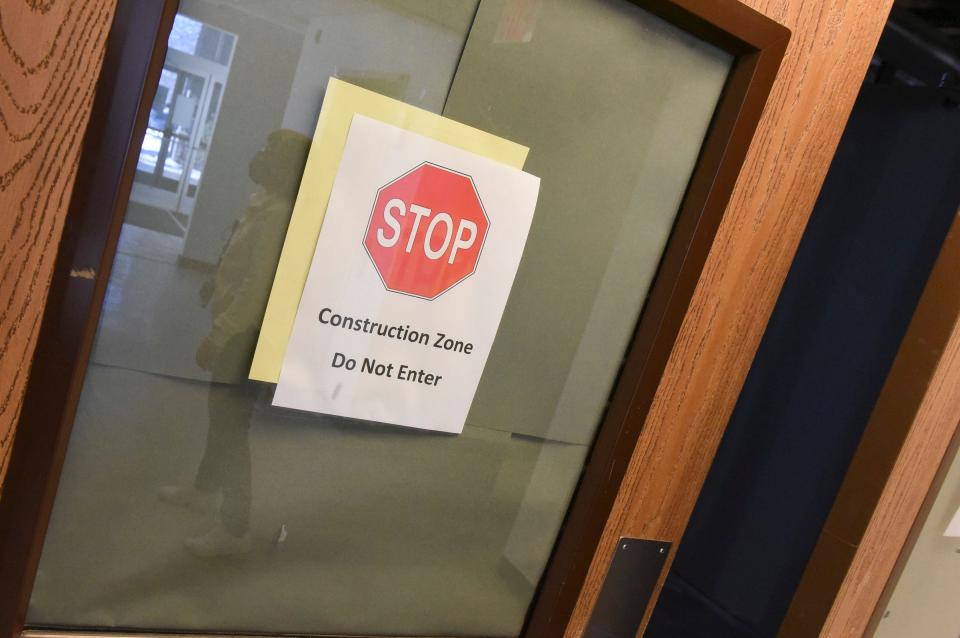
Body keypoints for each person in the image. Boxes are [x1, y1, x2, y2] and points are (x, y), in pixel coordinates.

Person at [158, 129, 311, 557]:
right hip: (241, 332)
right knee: (219, 416)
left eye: (273, 152)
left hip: (248, 337)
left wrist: (217, 334)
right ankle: (205, 488)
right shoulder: (263, 204)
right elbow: (240, 262)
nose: (262, 155)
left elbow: (256, 292)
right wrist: (214, 281)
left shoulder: (280, 213)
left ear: (290, 167)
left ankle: (235, 529)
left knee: (231, 428)